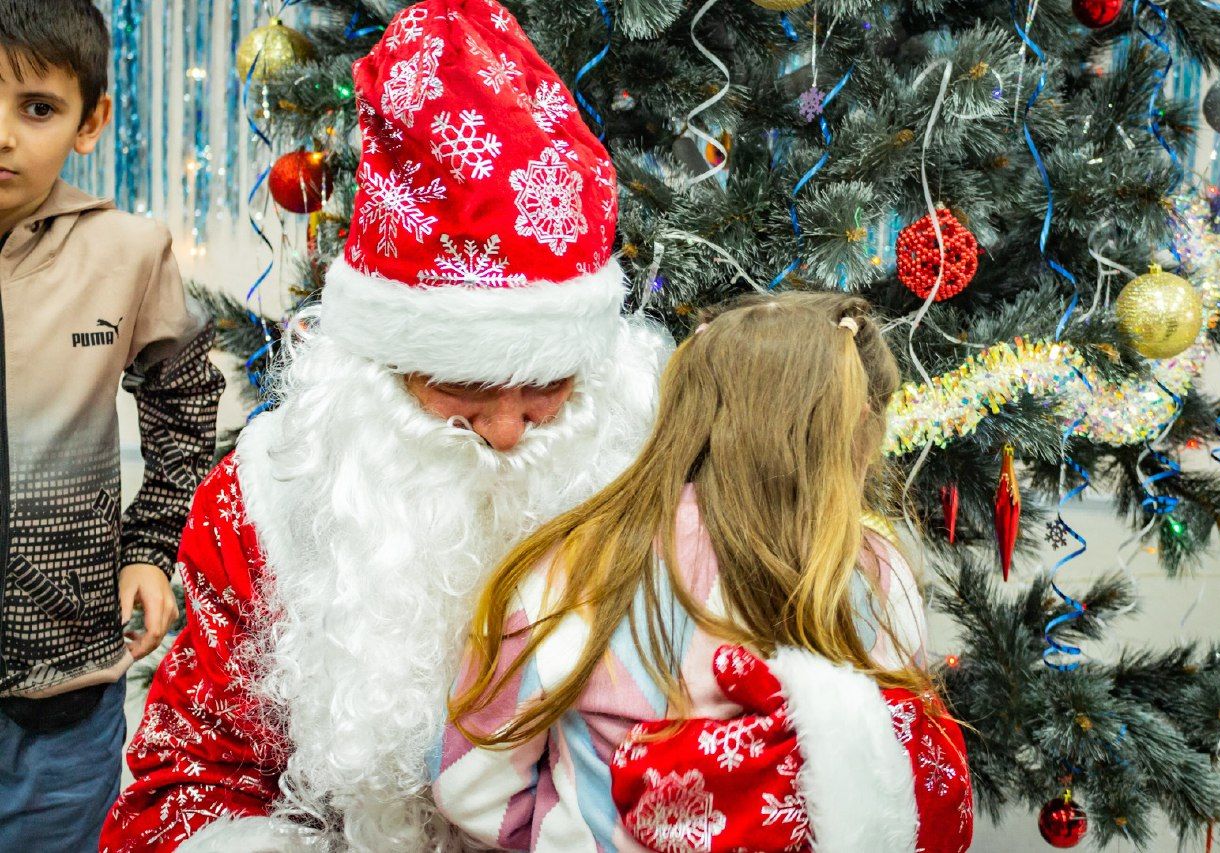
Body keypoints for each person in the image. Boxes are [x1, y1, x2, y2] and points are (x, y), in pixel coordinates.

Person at [100, 1, 668, 850]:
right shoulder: (269, 498)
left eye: (548, 383)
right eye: (463, 385)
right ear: (383, 362)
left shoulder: (669, 477)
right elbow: (183, 781)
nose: (509, 431)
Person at [431, 293, 974, 852]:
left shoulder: (573, 566)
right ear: (856, 424)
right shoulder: (880, 571)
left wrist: (574, 833)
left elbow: (468, 782)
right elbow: (898, 760)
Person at [0, 2, 224, 851]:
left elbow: (184, 397)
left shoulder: (128, 252)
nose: (4, 136)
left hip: (64, 706)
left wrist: (151, 543)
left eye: (38, 107)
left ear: (91, 120)